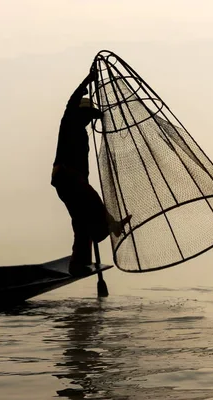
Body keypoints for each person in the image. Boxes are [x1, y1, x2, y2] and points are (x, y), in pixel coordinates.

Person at [51, 68, 131, 276]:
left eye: (89, 116)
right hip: (65, 175)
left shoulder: (83, 135)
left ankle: (78, 263)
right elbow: (73, 99)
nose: (87, 119)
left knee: (81, 222)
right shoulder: (68, 121)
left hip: (75, 179)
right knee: (93, 200)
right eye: (84, 114)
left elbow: (84, 169)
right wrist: (89, 79)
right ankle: (110, 224)